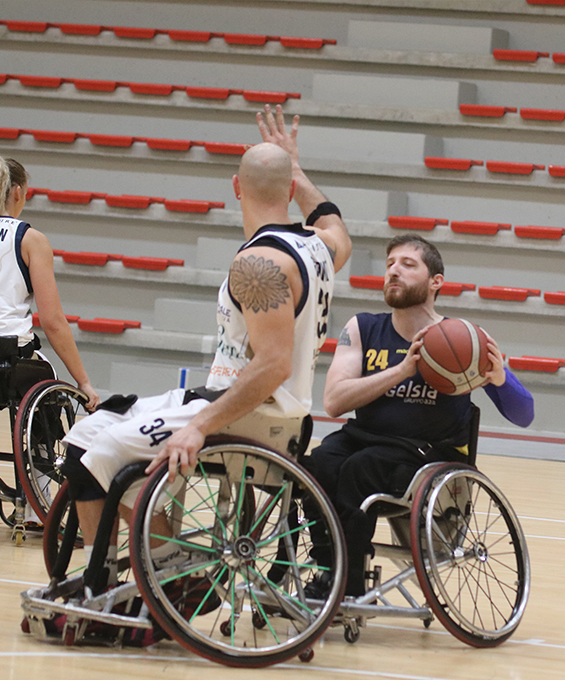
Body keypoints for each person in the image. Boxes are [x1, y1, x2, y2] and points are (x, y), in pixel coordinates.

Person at [59, 105, 351, 616]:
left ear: (235, 188)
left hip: (249, 414)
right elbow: (338, 229)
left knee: (93, 458)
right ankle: (101, 575)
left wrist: (199, 427)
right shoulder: (320, 248)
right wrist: (298, 171)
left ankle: (180, 570)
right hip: (268, 413)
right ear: (287, 191)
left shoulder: (258, 262)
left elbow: (273, 364)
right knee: (85, 433)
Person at [304, 233, 534, 599]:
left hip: (428, 453)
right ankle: (325, 569)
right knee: (318, 463)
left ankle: (345, 583)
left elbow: (524, 415)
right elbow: (333, 402)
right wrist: (400, 371)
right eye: (390, 264)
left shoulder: (464, 340)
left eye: (408, 265)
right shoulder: (362, 328)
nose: (394, 271)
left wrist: (501, 378)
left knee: (360, 469)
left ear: (435, 282)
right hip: (366, 438)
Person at [1, 156, 100, 528]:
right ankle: (39, 498)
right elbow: (54, 322)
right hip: (10, 356)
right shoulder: (30, 239)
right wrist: (84, 382)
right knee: (44, 387)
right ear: (16, 192)